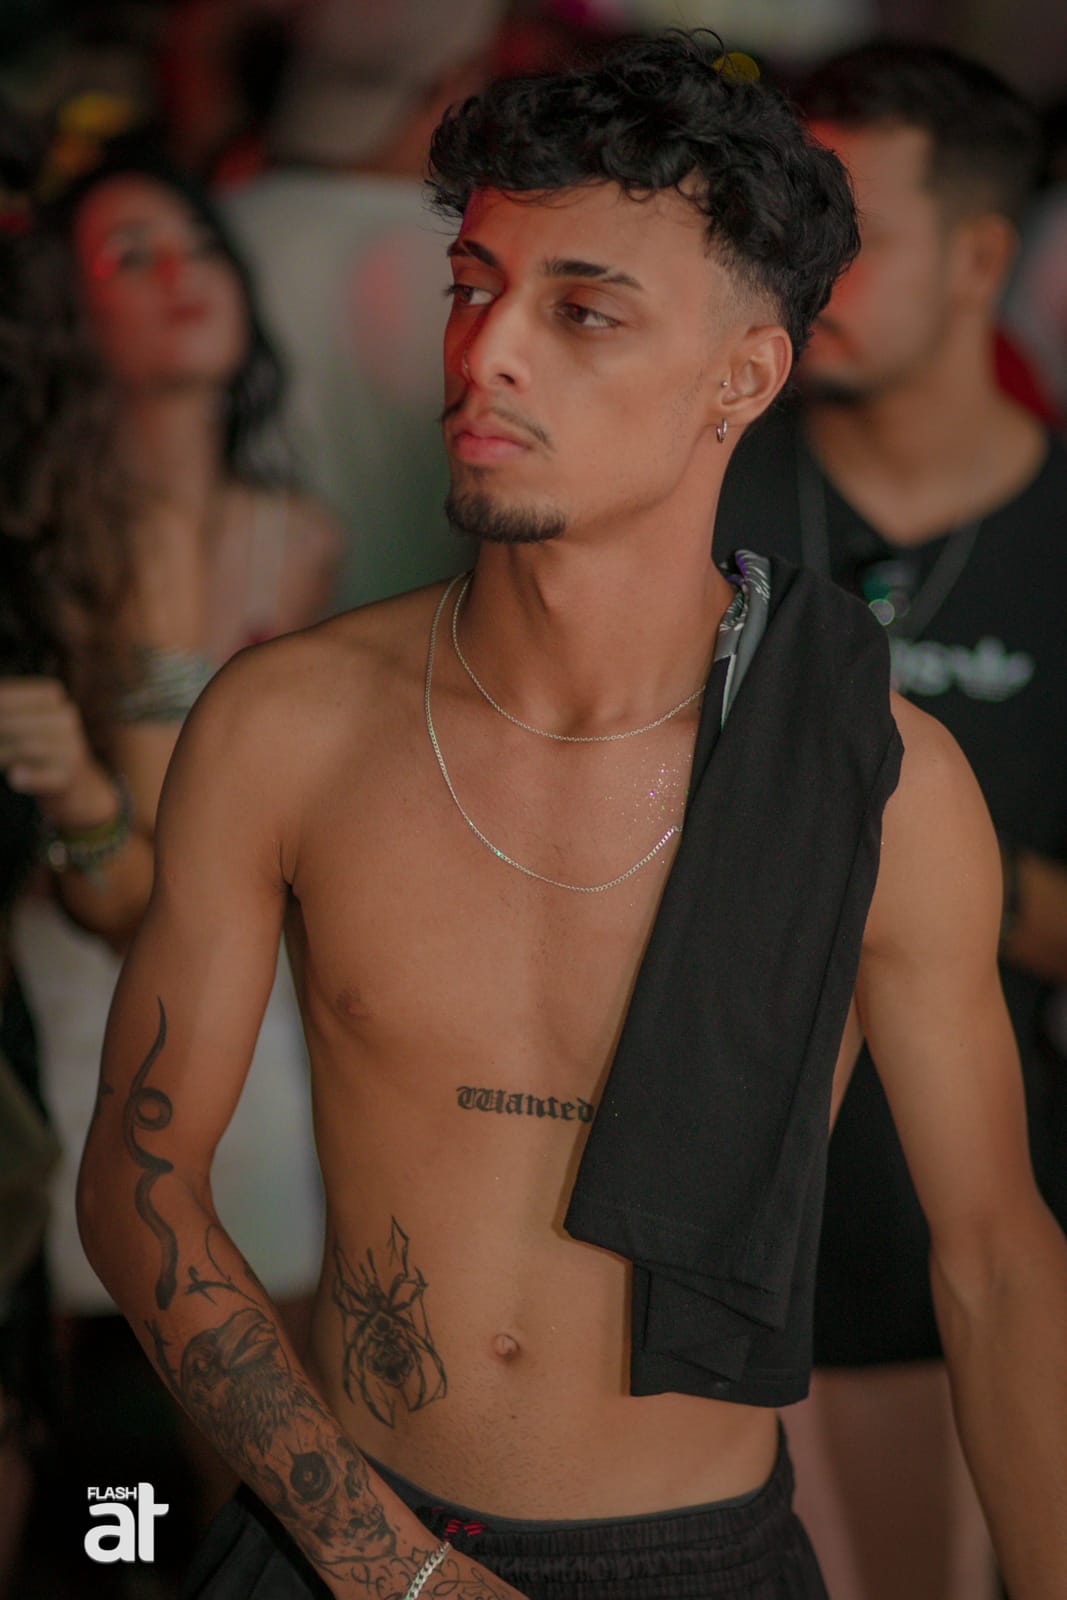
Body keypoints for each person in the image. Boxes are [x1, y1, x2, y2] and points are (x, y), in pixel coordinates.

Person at [76, 33, 1067, 1600]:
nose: (485, 355)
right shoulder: (287, 726)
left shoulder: (871, 775)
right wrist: (379, 1562)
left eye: (581, 311)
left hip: (694, 1553)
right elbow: (139, 1185)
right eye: (471, 287)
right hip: (343, 1536)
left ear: (742, 376)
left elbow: (997, 1265)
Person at [712, 40, 1067, 1600]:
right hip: (692, 1228)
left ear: (980, 257)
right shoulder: (694, 485)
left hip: (976, 1231)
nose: (801, 270)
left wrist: (902, 862)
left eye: (847, 231)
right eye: (784, 221)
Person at [222, 0, 504, 615]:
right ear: (455, 83)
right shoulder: (486, 261)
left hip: (247, 638)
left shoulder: (218, 233)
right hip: (434, 642)